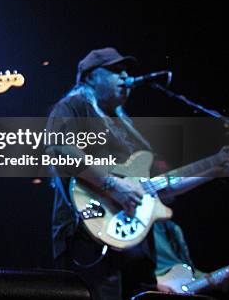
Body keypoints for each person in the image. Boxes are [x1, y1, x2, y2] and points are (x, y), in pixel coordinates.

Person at [46, 47, 156, 300]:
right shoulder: (73, 107)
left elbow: (151, 184)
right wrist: (113, 185)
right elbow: (60, 150)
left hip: (133, 236)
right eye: (116, 70)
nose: (125, 76)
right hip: (88, 235)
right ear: (91, 76)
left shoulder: (124, 125)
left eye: (126, 70)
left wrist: (215, 166)